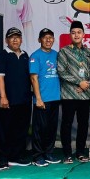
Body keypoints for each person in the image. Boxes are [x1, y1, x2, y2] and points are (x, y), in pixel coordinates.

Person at [57, 21, 90, 164]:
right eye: (73, 33)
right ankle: (67, 153)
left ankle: (80, 152)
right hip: (69, 94)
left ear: (83, 34)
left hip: (85, 95)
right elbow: (61, 71)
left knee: (83, 124)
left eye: (79, 32)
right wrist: (79, 82)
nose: (76, 35)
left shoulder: (89, 52)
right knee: (66, 124)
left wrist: (87, 84)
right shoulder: (64, 51)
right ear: (70, 35)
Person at [0, 27, 33, 168]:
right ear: (7, 40)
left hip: (24, 100)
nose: (15, 39)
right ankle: (3, 158)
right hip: (8, 100)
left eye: (17, 37)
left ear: (21, 39)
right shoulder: (2, 55)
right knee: (5, 130)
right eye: (12, 37)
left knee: (21, 129)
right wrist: (3, 97)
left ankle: (16, 156)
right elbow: (0, 78)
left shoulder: (25, 55)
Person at [30, 28, 62, 167]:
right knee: (39, 129)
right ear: (39, 40)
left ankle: (49, 153)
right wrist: (38, 98)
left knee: (51, 128)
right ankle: (37, 156)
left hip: (55, 98)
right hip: (42, 99)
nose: (48, 40)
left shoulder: (56, 55)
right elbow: (33, 78)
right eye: (45, 37)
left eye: (50, 37)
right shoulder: (35, 56)